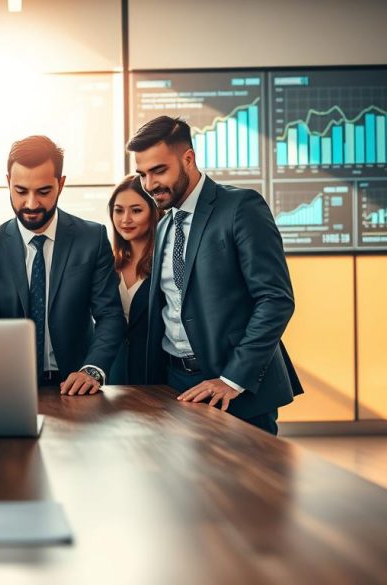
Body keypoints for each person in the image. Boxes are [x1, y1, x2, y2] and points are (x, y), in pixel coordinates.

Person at [128, 116, 302, 435]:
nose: (149, 184)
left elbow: (275, 299)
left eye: (159, 170)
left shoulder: (240, 207)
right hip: (176, 385)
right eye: (142, 174)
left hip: (235, 388)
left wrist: (232, 379)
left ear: (188, 159)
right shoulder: (165, 226)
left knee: (248, 484)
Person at [0, 135, 125, 396]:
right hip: (11, 387)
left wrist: (93, 370)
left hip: (78, 388)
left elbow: (110, 316)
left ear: (60, 184)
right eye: (20, 191)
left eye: (43, 192)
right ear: (8, 182)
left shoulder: (92, 238)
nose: (31, 204)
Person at [106, 174, 163, 385]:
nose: (125, 219)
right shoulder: (108, 267)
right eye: (119, 210)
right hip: (113, 376)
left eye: (136, 210)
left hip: (158, 379)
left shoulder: (166, 265)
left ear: (154, 213)